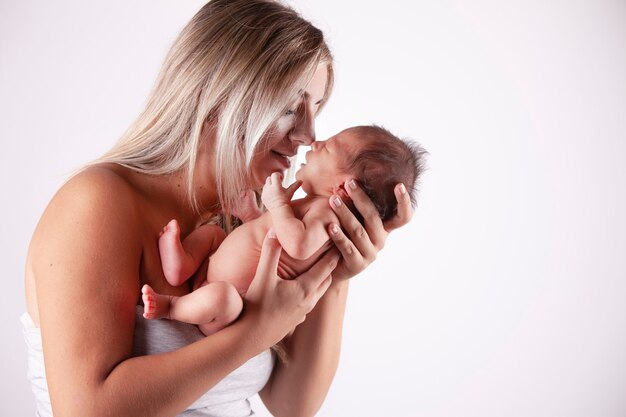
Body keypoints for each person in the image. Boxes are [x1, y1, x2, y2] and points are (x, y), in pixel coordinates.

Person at [22, 1, 413, 416]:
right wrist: (253, 332)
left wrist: (336, 266)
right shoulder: (97, 203)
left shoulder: (249, 224)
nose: (307, 134)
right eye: (288, 108)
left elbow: (291, 405)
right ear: (217, 95)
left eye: (316, 108)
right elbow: (88, 410)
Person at [143, 125, 426, 336]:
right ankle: (181, 265)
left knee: (222, 298)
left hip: (232, 301)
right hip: (216, 271)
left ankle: (172, 307)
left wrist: (277, 203)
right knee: (215, 234)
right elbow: (271, 233)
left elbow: (298, 245)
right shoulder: (312, 206)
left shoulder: (327, 214)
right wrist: (253, 215)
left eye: (327, 148)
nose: (315, 143)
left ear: (343, 187)